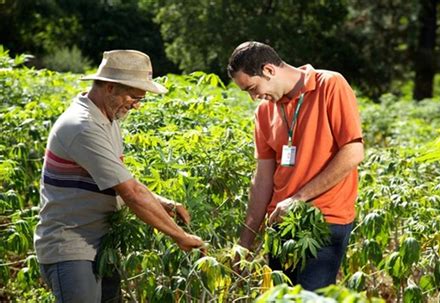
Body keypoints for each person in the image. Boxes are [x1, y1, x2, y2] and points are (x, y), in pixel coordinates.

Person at [34, 50, 205, 302]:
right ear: (111, 87)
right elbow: (131, 193)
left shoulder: (108, 119)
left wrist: (163, 203)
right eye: (134, 96)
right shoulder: (83, 126)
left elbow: (119, 181)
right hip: (70, 245)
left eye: (141, 99)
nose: (136, 104)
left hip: (101, 242)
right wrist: (180, 236)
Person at [227, 41, 364, 290]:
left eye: (252, 88)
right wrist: (244, 244)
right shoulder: (264, 112)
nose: (254, 97)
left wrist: (299, 198)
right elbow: (263, 180)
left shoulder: (329, 84)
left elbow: (353, 151)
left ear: (268, 70)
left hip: (323, 220)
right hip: (280, 224)